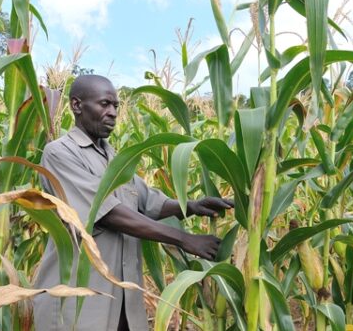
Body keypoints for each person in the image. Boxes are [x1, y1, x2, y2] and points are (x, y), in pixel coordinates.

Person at [33, 74, 233, 331]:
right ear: (76, 105)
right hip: (80, 301)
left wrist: (192, 206)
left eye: (116, 106)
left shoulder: (116, 158)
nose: (113, 112)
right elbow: (108, 214)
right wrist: (184, 239)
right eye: (104, 104)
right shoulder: (60, 153)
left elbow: (149, 202)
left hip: (124, 301)